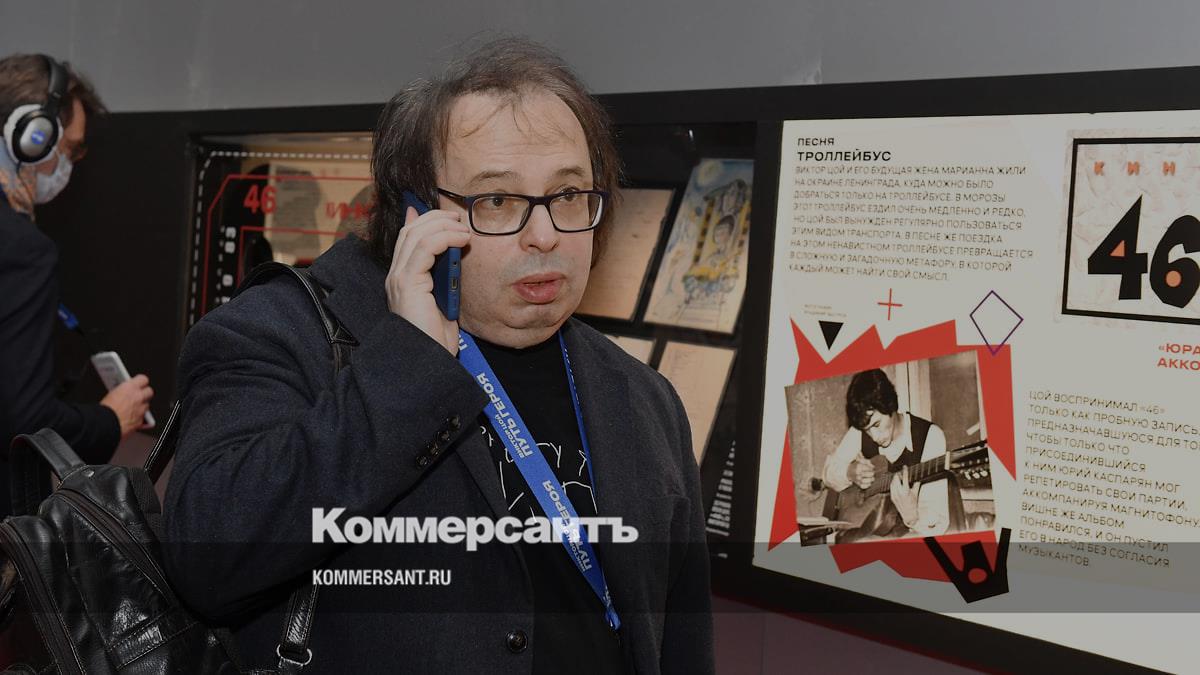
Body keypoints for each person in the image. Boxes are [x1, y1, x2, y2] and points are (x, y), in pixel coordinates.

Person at [164, 39, 713, 674]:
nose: (545, 235)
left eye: (567, 195)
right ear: (415, 216)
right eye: (498, 201)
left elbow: (681, 639)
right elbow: (208, 558)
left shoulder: (641, 395)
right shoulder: (280, 334)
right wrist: (408, 365)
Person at [0, 53, 153, 515]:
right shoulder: (23, 250)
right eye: (70, 149)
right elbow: (26, 420)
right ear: (32, 138)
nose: (70, 164)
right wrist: (110, 419)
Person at [821, 368, 951, 538]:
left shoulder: (931, 437)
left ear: (890, 406)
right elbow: (828, 474)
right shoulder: (861, 428)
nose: (874, 437)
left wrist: (913, 517)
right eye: (867, 431)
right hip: (863, 531)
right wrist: (849, 472)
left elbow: (939, 524)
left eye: (877, 425)